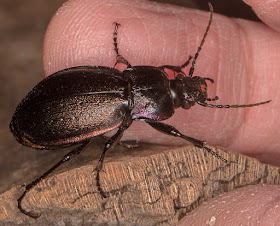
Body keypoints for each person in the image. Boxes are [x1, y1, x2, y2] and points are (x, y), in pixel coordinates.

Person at [43, 0, 280, 224]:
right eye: (180, 78)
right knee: (79, 151)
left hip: (57, 94)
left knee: (88, 146)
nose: (182, 82)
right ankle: (34, 185)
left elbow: (157, 71)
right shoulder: (129, 99)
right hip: (51, 108)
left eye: (180, 79)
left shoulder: (131, 76)